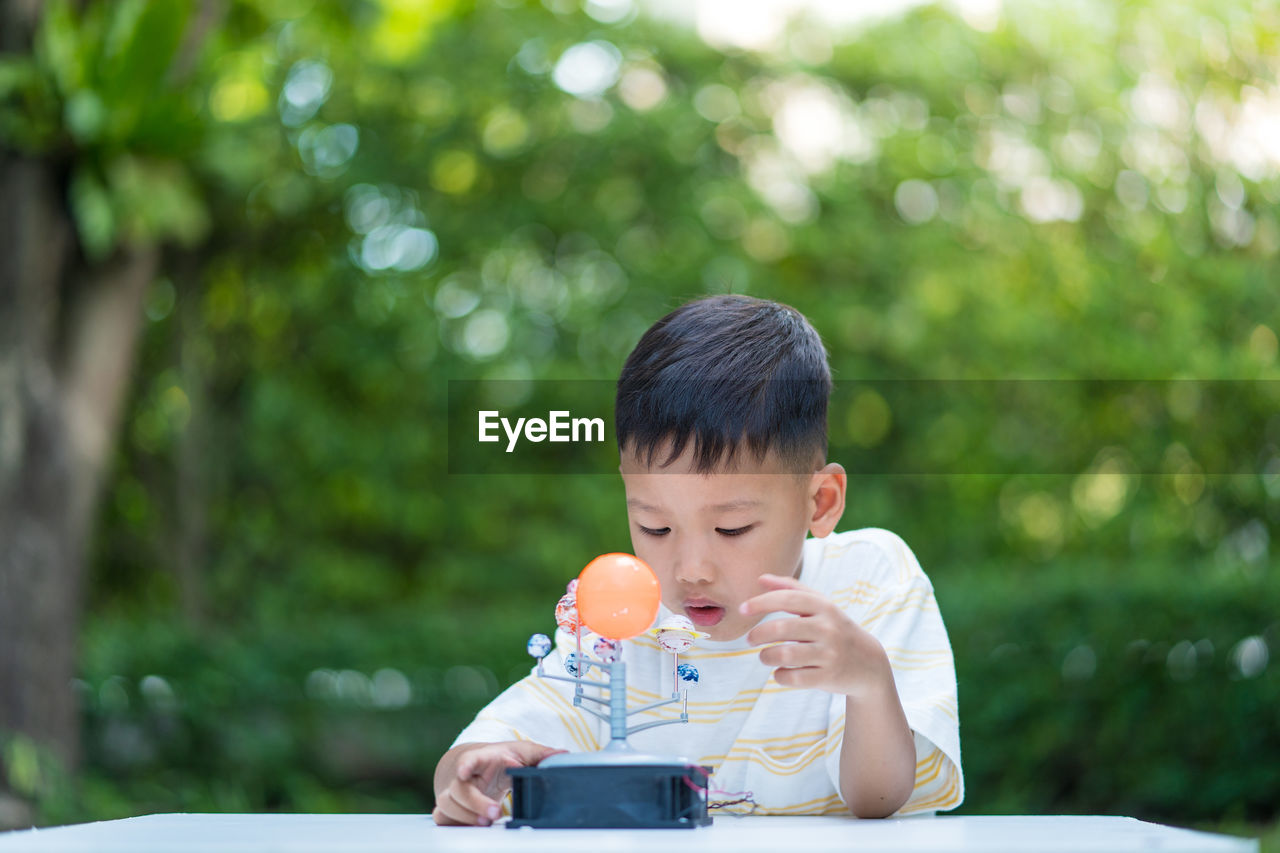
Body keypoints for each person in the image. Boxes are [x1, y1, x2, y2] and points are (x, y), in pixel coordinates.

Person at [432, 295, 962, 825]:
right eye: (654, 527)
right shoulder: (622, 623)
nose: (690, 569)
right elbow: (489, 747)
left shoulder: (868, 580)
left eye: (732, 528)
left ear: (819, 502)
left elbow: (879, 798)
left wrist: (868, 683)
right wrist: (472, 772)